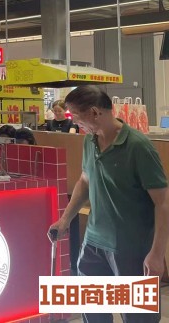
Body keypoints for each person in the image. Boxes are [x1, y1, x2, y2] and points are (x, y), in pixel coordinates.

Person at [48, 86, 169, 323]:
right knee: (93, 313)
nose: (75, 122)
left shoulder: (138, 147)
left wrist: (157, 254)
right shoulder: (89, 141)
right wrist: (65, 220)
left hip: (131, 247)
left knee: (137, 318)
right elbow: (85, 181)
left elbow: (163, 203)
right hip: (93, 243)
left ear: (95, 112)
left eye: (76, 116)